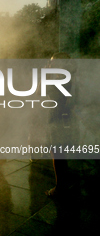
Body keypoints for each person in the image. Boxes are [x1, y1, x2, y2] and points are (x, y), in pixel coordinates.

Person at [44, 52, 76, 197]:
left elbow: (38, 91)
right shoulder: (68, 78)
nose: (50, 65)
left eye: (53, 63)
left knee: (57, 153)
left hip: (57, 118)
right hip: (63, 117)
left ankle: (60, 188)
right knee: (60, 153)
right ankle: (65, 183)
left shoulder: (60, 80)